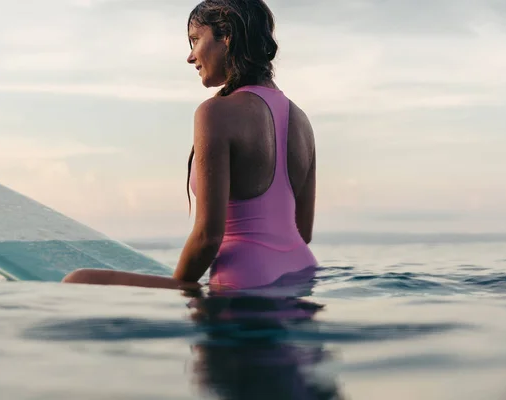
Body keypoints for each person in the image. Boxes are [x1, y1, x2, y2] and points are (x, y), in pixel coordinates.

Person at [63, 0, 318, 291]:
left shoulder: (215, 112)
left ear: (227, 35)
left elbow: (209, 236)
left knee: (77, 281)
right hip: (300, 277)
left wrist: (177, 290)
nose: (190, 56)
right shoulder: (302, 121)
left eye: (196, 40)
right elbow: (304, 232)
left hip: (243, 281)